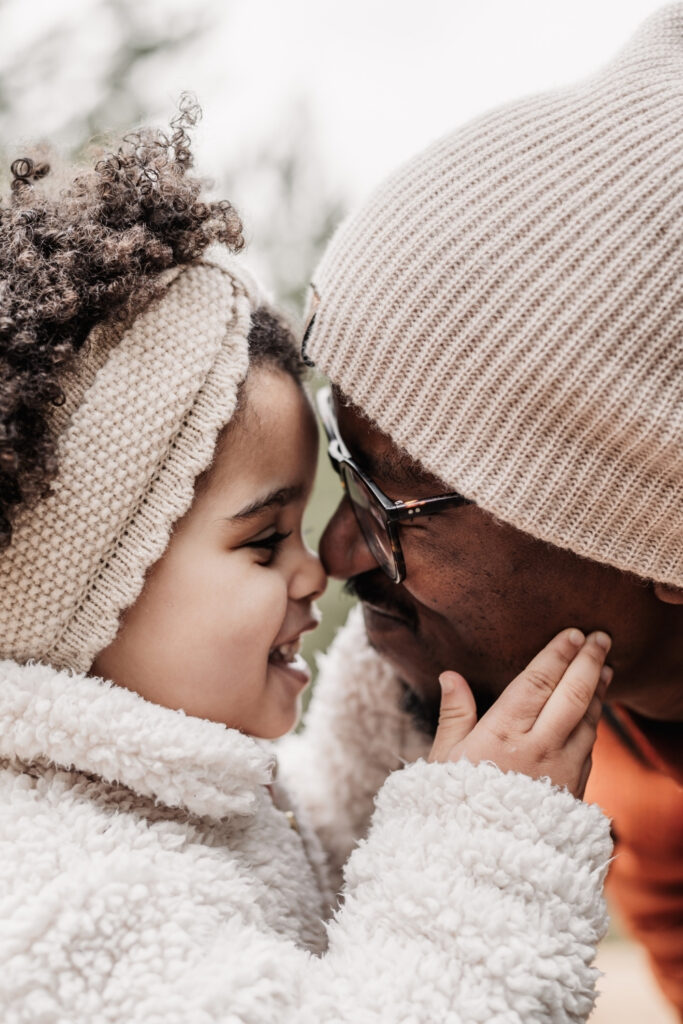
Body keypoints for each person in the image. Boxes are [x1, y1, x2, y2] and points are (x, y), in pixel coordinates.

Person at [0, 105, 612, 1023]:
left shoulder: (183, 795)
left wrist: (406, 701)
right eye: (260, 541)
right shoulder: (63, 899)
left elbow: (324, 864)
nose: (315, 573)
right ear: (82, 590)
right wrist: (490, 850)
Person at [293, 3, 683, 1017]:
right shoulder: (634, 755)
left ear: (655, 530)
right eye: (339, 462)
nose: (337, 550)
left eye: (390, 498)